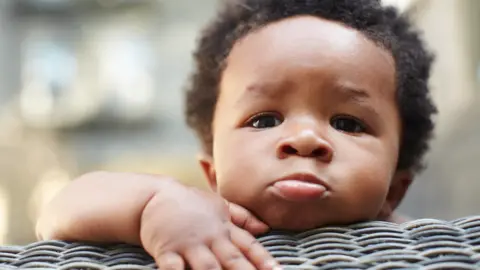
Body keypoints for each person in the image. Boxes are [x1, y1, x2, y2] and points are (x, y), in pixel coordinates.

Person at [35, 0, 437, 269]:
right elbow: (58, 211)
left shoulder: (415, 247)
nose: (304, 139)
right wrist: (154, 202)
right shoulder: (194, 220)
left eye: (348, 123)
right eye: (264, 120)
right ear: (212, 174)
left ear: (394, 190)